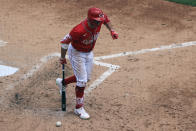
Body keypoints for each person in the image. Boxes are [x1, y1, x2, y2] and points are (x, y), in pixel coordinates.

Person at [56, 7, 118, 120]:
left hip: (89, 52)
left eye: (99, 21)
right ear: (90, 20)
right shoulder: (78, 30)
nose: (99, 23)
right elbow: (64, 42)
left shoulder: (98, 21)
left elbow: (106, 20)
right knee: (82, 81)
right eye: (96, 21)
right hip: (76, 53)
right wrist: (62, 57)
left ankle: (63, 82)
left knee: (86, 78)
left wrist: (112, 30)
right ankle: (78, 108)